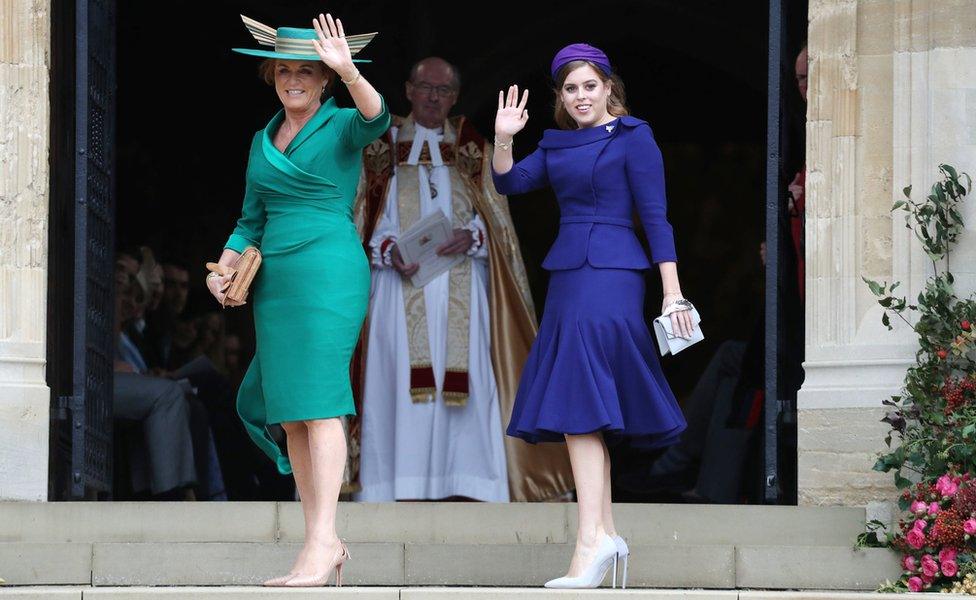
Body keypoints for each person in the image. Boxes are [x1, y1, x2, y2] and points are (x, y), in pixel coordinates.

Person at [492, 43, 695, 589]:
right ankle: (602, 531)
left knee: (580, 397)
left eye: (589, 85)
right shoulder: (556, 144)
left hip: (614, 276)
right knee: (584, 400)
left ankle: (591, 542)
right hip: (568, 277)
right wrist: (505, 138)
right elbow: (509, 182)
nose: (580, 96)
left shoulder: (636, 138)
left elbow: (656, 219)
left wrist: (671, 293)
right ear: (560, 97)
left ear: (609, 88)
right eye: (570, 88)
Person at [208, 13, 389, 587]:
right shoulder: (262, 142)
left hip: (328, 271)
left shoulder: (340, 124)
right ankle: (319, 541)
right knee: (290, 416)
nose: (294, 80)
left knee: (319, 401)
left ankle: (325, 539)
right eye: (285, 71)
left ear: (324, 79)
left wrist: (348, 70)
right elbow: (249, 220)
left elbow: (377, 118)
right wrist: (223, 269)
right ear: (272, 76)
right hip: (277, 283)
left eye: (306, 72)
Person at [352, 57, 573, 502]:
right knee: (394, 385)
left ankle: (469, 482)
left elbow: (498, 223)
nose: (433, 97)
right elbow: (359, 215)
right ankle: (393, 483)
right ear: (408, 90)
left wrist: (472, 234)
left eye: (444, 90)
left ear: (455, 97)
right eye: (425, 87)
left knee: (467, 384)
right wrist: (385, 247)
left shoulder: (474, 147)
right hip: (395, 290)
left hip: (463, 288)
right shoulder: (377, 147)